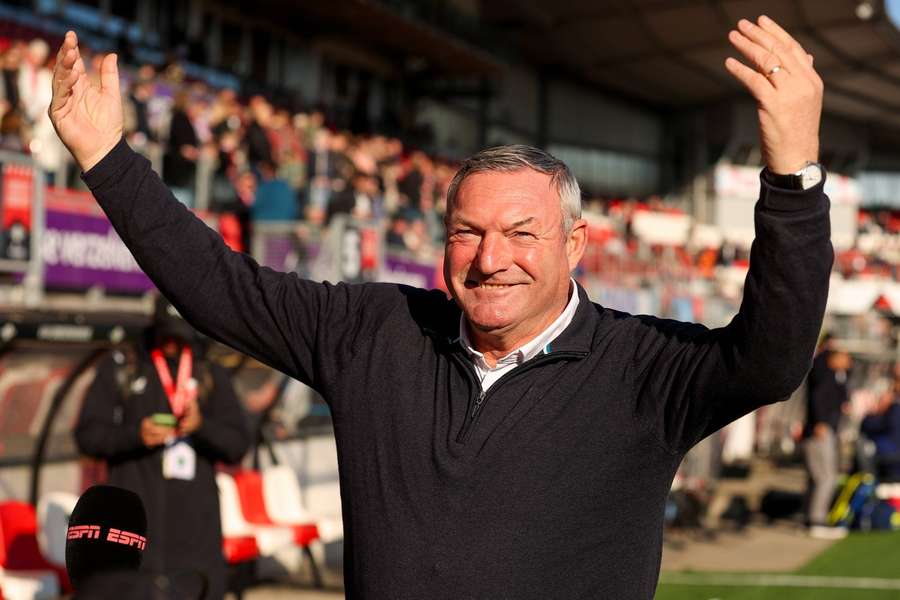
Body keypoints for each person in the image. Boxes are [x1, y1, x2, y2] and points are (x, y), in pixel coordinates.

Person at [51, 15, 830, 599]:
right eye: (469, 232)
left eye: (522, 233)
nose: (492, 260)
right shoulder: (374, 332)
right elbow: (217, 287)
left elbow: (770, 358)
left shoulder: (642, 366)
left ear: (577, 242)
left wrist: (792, 176)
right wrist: (106, 160)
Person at [75, 295, 251, 600]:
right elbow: (87, 436)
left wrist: (201, 427)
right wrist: (135, 435)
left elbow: (238, 444)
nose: (172, 344)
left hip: (197, 547)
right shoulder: (122, 366)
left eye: (180, 337)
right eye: (167, 336)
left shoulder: (210, 371)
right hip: (132, 542)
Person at [802, 335, 851, 539]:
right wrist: (821, 421)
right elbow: (818, 397)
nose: (849, 362)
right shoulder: (823, 371)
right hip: (820, 429)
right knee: (826, 477)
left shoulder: (835, 374)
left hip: (822, 428)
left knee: (817, 477)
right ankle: (817, 520)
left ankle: (811, 517)